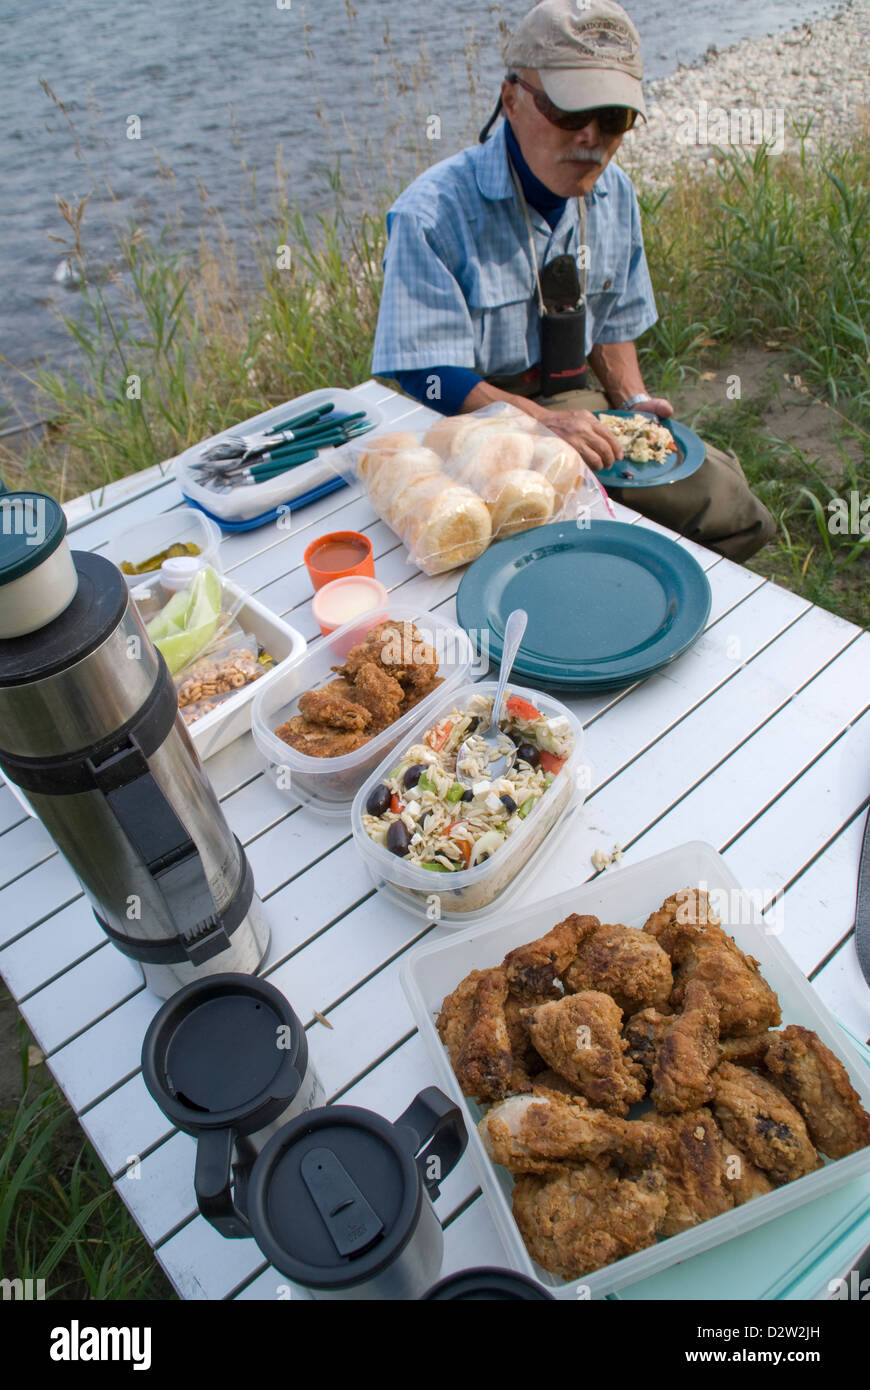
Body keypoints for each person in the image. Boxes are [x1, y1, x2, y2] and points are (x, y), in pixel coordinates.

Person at [371, 0, 776, 563]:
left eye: (613, 118)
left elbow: (614, 325)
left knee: (731, 508)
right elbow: (426, 373)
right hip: (466, 426)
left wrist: (631, 401)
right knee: (529, 542)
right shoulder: (432, 215)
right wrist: (540, 424)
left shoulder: (616, 194)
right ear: (512, 99)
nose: (591, 137)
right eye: (568, 112)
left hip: (574, 400)